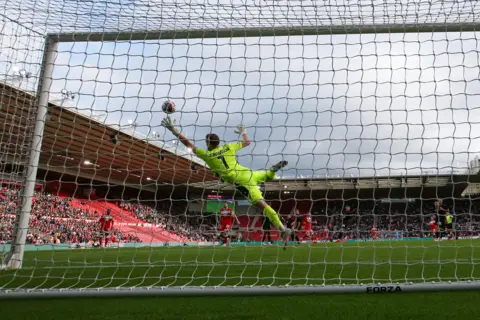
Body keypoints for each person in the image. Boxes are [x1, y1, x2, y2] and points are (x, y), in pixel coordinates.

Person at [161, 117, 292, 248]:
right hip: (248, 172)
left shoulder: (207, 155)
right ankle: (272, 170)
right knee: (266, 176)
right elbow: (247, 142)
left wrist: (174, 131)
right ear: (218, 142)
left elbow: (189, 144)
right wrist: (243, 131)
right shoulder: (229, 147)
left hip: (241, 182)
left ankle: (282, 229)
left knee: (261, 205)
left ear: (208, 143)